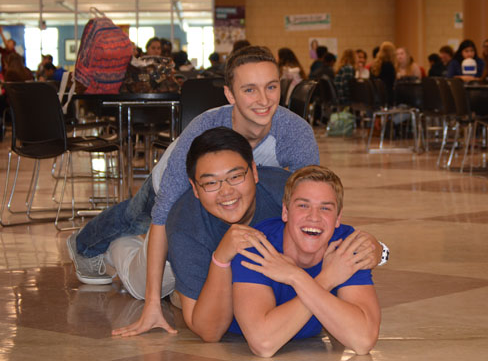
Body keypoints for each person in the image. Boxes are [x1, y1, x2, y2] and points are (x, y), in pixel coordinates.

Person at [67, 45, 323, 335]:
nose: (263, 100)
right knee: (134, 218)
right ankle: (88, 245)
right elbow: (163, 215)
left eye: (271, 87)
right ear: (230, 95)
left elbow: (310, 203)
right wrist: (152, 303)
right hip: (174, 183)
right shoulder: (203, 130)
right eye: (250, 90)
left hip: (224, 199)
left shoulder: (294, 133)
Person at [136, 128, 385, 341]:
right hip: (173, 269)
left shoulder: (281, 190)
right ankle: (118, 250)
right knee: (143, 278)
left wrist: (379, 251)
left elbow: (326, 223)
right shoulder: (184, 224)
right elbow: (208, 331)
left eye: (235, 176)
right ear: (195, 188)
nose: (226, 192)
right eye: (211, 183)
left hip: (255, 293)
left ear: (254, 172)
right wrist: (221, 257)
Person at [231, 165, 381, 357]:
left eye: (325, 208)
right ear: (285, 212)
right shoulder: (257, 247)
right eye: (303, 205)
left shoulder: (345, 246)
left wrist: (295, 277)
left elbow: (363, 341)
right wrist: (326, 280)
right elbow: (264, 343)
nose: (314, 217)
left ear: (338, 218)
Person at [370, 41, 396, 106]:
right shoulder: (389, 65)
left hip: (375, 97)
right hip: (386, 98)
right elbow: (392, 83)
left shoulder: (374, 65)